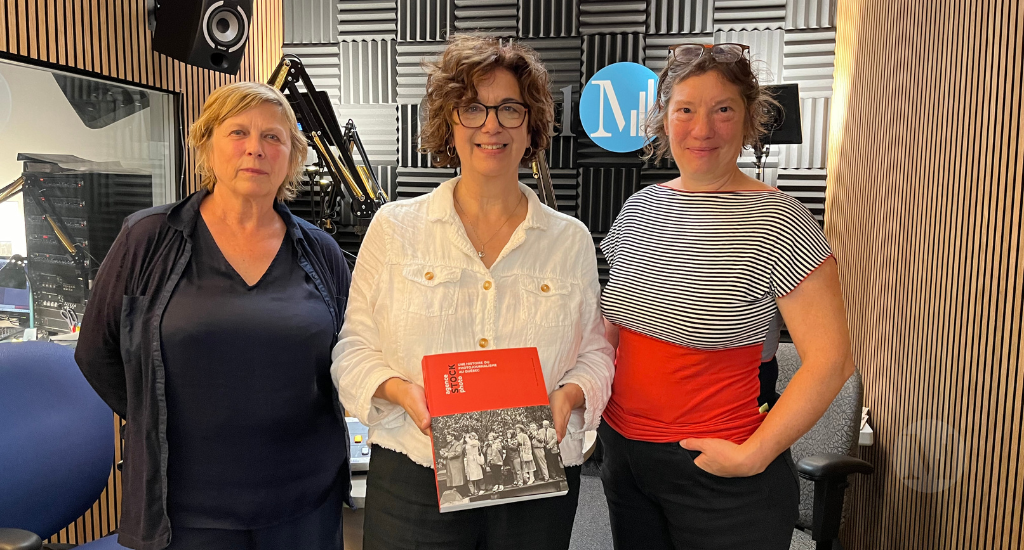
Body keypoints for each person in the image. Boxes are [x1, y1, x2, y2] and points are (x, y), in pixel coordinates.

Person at [331, 33, 615, 550]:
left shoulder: (569, 239)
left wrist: (569, 394)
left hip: (534, 477)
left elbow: (595, 352)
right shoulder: (395, 228)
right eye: (472, 108)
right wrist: (401, 393)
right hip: (418, 471)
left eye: (509, 108)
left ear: (531, 125)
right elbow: (353, 350)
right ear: (449, 123)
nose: (491, 124)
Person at [597, 42, 856, 550]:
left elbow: (833, 358)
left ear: (748, 118)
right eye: (686, 110)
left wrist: (755, 454)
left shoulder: (779, 218)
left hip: (721, 472)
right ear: (664, 119)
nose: (702, 129)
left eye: (723, 110)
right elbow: (612, 327)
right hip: (626, 459)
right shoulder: (640, 209)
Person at [75, 82, 351, 550]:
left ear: (292, 156)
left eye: (273, 137)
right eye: (238, 132)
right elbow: (97, 353)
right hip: (186, 509)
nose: (255, 149)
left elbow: (350, 354)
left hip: (305, 502)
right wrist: (152, 415)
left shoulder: (320, 251)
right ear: (206, 144)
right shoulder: (146, 238)